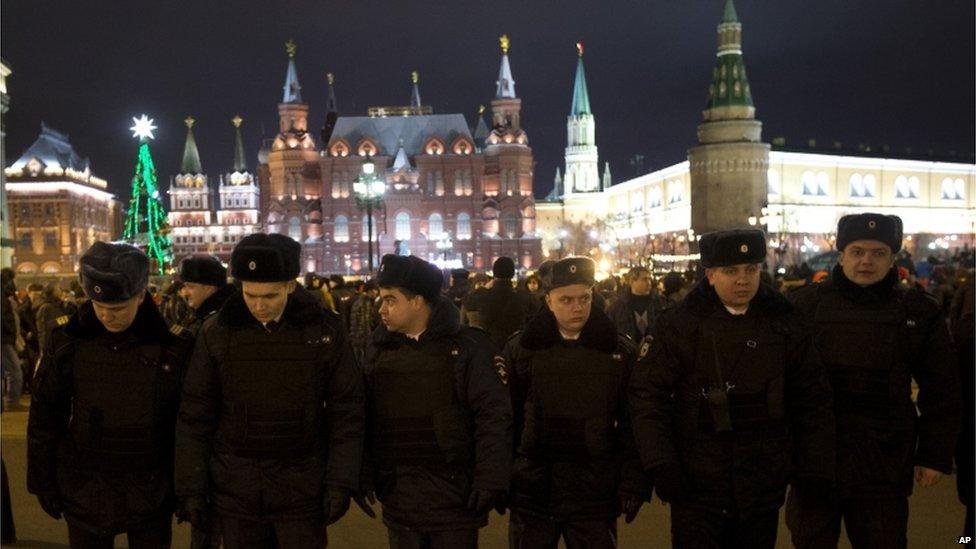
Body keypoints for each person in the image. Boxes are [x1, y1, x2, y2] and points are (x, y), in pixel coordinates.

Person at [629, 229, 835, 548]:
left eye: (750, 269)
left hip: (762, 481)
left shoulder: (784, 323)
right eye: (731, 271)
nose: (743, 279)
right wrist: (661, 463)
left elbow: (812, 399)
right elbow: (647, 397)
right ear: (710, 275)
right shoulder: (679, 325)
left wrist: (812, 466)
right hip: (696, 484)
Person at [175, 234, 365, 549]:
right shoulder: (217, 332)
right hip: (236, 491)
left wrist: (340, 481)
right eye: (250, 295)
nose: (259, 306)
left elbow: (347, 410)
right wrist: (191, 487)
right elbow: (195, 412)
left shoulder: (324, 331)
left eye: (270, 296)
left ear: (291, 285)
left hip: (302, 490)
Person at [786, 214, 962, 549]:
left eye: (878, 252)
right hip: (815, 462)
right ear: (842, 255)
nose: (866, 260)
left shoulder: (917, 311)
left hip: (883, 464)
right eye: (857, 251)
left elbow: (942, 389)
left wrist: (934, 455)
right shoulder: (804, 305)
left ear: (893, 258)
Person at [27, 242, 194, 548]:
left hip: (151, 487)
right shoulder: (66, 341)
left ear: (142, 295)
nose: (106, 315)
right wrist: (43, 480)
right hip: (86, 486)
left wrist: (188, 488)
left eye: (117, 308)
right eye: (97, 305)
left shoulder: (174, 346)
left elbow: (188, 425)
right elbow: (45, 414)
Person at [361, 254, 512, 549]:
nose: (382, 309)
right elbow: (363, 417)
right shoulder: (378, 351)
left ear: (417, 301)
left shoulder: (469, 348)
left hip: (455, 500)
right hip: (400, 499)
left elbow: (493, 417)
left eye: (390, 300)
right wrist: (362, 472)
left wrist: (490, 479)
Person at [505, 256, 648, 549]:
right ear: (548, 301)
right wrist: (501, 478)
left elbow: (634, 422)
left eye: (584, 298)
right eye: (566, 299)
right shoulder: (522, 350)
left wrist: (633, 482)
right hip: (534, 490)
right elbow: (505, 418)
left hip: (594, 491)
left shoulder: (617, 351)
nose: (577, 307)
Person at [480, 257, 535, 348]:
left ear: (494, 273)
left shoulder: (484, 297)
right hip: (517, 348)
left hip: (491, 348)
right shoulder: (524, 297)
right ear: (512, 273)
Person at [606, 266, 672, 342]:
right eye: (644, 279)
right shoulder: (617, 306)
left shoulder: (660, 303)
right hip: (628, 350)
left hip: (655, 350)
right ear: (631, 281)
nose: (649, 283)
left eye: (649, 279)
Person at [178, 255, 235, 336]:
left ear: (209, 288)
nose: (185, 293)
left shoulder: (220, 323)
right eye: (185, 286)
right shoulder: (206, 316)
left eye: (191, 287)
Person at [1, 274, 24, 411]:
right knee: (15, 371)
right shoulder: (3, 297)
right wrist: (10, 332)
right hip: (4, 339)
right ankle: (11, 401)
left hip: (5, 338)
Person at [349, 280, 380, 361]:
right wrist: (368, 339)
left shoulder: (363, 300)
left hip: (359, 338)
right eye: (375, 290)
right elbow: (364, 323)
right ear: (369, 290)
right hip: (360, 339)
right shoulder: (364, 302)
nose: (376, 292)